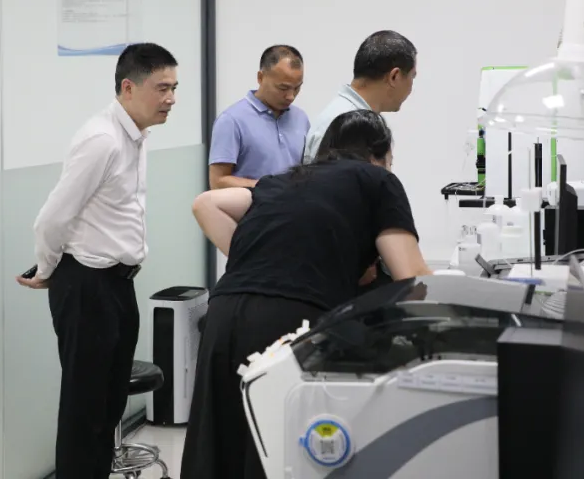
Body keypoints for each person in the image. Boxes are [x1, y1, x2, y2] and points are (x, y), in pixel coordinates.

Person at [180, 109, 431, 479]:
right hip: (288, 321)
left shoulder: (284, 179)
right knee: (279, 448)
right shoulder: (378, 180)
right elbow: (412, 278)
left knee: (219, 445)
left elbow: (206, 203)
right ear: (379, 156)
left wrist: (265, 258)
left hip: (223, 312)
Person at [16, 43, 178, 479]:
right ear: (129, 87)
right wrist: (48, 269)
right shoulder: (102, 140)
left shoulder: (135, 136)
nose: (171, 98)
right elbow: (52, 218)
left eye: (174, 88)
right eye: (162, 88)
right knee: (84, 410)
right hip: (87, 284)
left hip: (117, 284)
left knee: (107, 407)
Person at [304, 29, 418, 163]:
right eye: (412, 77)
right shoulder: (343, 127)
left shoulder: (349, 118)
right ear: (394, 76)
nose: (411, 87)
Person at [208, 45, 309, 189]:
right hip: (254, 203)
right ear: (260, 78)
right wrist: (270, 187)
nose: (291, 96)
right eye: (283, 88)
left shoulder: (301, 118)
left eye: (297, 88)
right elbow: (218, 182)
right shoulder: (231, 121)